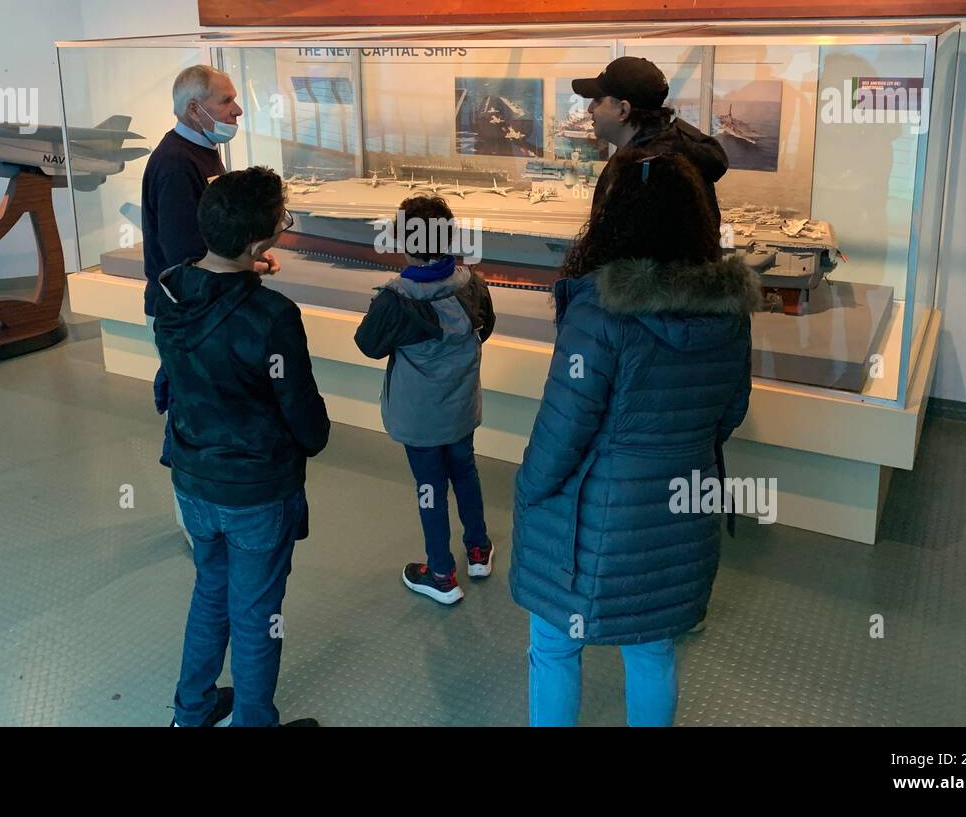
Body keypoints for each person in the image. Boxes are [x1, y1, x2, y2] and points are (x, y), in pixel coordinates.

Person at [509, 150, 758, 727]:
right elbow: (730, 410)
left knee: (554, 647)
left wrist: (527, 492)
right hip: (680, 513)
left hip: (590, 520)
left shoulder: (599, 314)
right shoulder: (731, 313)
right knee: (652, 649)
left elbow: (562, 433)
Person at [154, 167, 329, 728]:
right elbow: (306, 420)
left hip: (193, 478)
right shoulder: (273, 316)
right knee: (256, 616)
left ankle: (192, 711)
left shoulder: (172, 287)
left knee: (211, 592)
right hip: (257, 492)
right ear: (260, 243)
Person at [141, 65, 278, 541]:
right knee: (192, 410)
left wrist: (248, 250)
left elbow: (208, 236)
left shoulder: (202, 153)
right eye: (226, 101)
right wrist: (249, 263)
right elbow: (183, 252)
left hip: (202, 308)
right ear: (194, 108)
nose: (236, 109)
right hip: (187, 311)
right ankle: (195, 520)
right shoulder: (178, 165)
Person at [354, 195, 497, 606]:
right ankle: (478, 551)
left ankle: (441, 574)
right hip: (461, 407)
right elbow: (485, 328)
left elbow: (368, 345)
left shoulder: (395, 299)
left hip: (419, 416)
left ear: (402, 240)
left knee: (430, 487)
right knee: (465, 473)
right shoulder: (474, 285)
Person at [573, 55, 729, 223]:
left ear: (623, 110)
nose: (590, 109)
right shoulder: (664, 154)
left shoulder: (650, 171)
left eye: (597, 100)